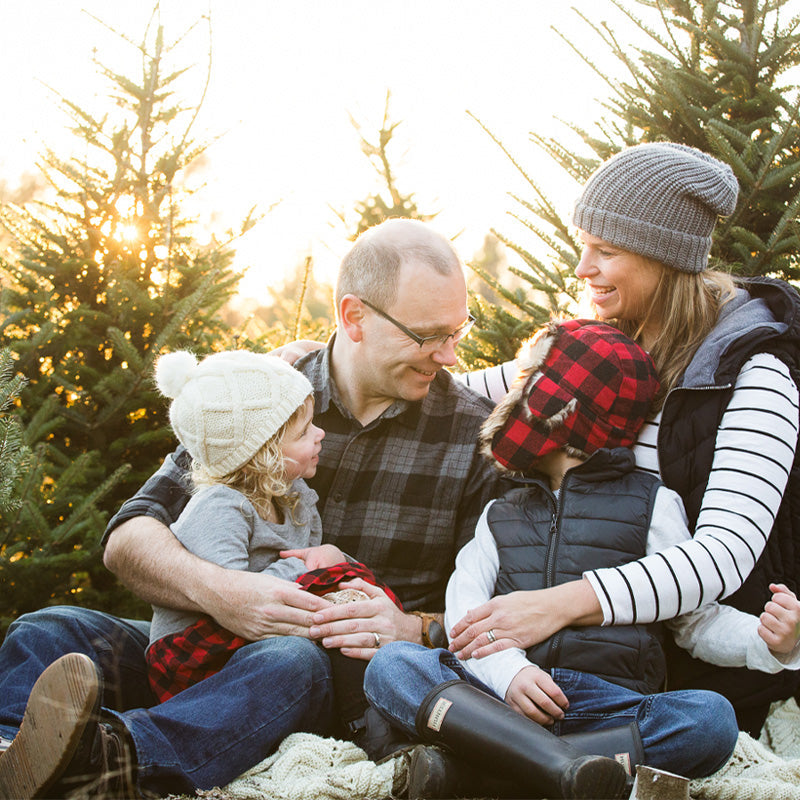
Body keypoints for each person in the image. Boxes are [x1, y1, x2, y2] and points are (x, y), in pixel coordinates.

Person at [0, 219, 506, 798]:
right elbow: (131, 536)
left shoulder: (475, 439)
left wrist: (413, 628)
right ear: (354, 317)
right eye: (426, 335)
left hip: (327, 682)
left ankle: (113, 759)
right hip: (207, 653)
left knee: (289, 660)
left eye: (457, 331)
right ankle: (13, 760)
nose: (447, 354)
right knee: (51, 631)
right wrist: (224, 593)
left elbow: (500, 610)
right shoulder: (260, 394)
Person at [365, 318, 799, 799]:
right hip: (496, 699)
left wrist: (768, 643)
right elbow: (468, 615)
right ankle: (564, 771)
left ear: (565, 405)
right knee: (393, 665)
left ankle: (483, 773)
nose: (511, 394)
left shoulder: (651, 503)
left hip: (605, 705)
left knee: (710, 719)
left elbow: (694, 622)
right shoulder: (500, 513)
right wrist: (511, 674)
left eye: (526, 380)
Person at [450, 142, 800, 738]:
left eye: (604, 251)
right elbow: (477, 388)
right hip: (552, 666)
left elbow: (721, 556)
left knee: (700, 724)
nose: (582, 267)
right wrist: (306, 365)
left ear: (664, 260)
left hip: (701, 668)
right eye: (583, 244)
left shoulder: (756, 372)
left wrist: (557, 604)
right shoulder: (606, 347)